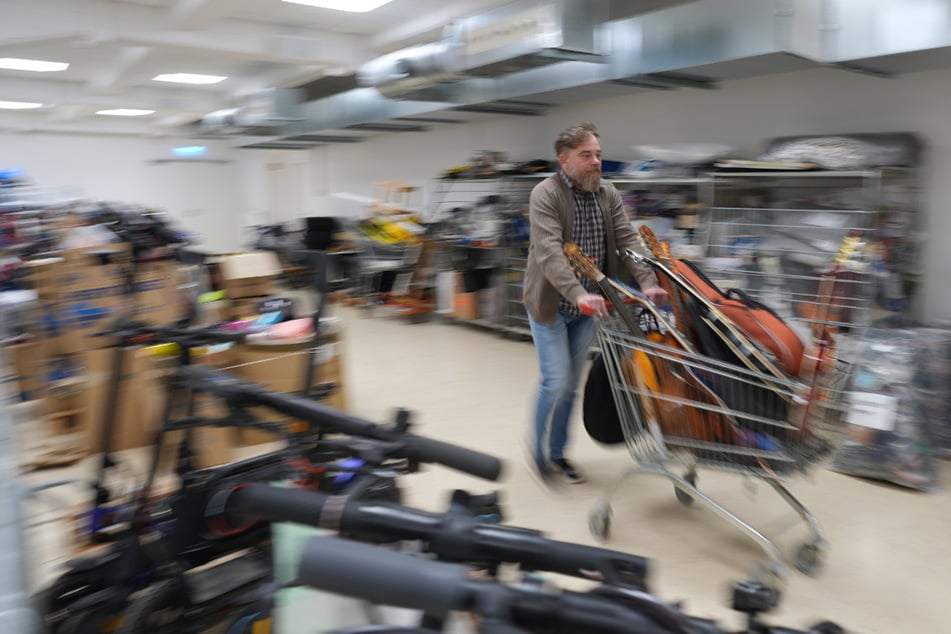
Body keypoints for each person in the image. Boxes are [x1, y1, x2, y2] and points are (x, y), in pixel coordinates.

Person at [523, 122, 667, 484]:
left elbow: (629, 242)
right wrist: (577, 294)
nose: (596, 162)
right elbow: (549, 253)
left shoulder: (608, 194)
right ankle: (538, 451)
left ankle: (559, 453)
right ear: (565, 159)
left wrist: (649, 283)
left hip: (589, 309)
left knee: (572, 385)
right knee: (555, 381)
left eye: (598, 155)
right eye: (586, 156)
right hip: (551, 305)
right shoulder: (546, 193)